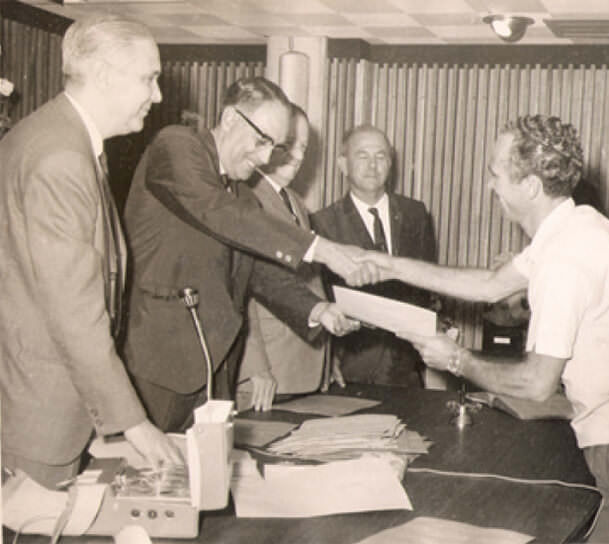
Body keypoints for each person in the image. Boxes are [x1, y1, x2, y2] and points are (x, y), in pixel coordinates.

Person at [357, 114, 609, 542]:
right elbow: (489, 284)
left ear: (530, 186)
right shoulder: (576, 224)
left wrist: (455, 358)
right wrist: (388, 265)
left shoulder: (564, 259)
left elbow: (536, 382)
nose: (490, 185)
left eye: (496, 174)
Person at [0, 15, 183, 489]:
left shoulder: (54, 136)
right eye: (150, 77)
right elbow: (73, 313)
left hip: (45, 402)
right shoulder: (61, 156)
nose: (157, 95)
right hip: (37, 417)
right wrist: (135, 425)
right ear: (104, 76)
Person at [123, 77, 363, 432]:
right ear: (232, 118)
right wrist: (319, 247)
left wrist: (316, 309)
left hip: (217, 373)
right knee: (152, 480)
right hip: (159, 368)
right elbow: (215, 209)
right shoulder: (176, 145)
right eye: (262, 140)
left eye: (275, 146)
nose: (266, 157)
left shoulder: (243, 197)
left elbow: (262, 272)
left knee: (209, 481)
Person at [311, 124, 438, 387]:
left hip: (408, 364)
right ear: (342, 164)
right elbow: (317, 296)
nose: (373, 166)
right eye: (362, 156)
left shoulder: (415, 214)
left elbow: (429, 284)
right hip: (352, 366)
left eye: (380, 156)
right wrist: (327, 357)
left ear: (391, 163)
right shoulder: (322, 224)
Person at [237, 105, 328, 411]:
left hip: (305, 368)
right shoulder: (245, 199)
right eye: (289, 144)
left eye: (304, 147)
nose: (299, 156)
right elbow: (240, 289)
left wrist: (327, 356)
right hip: (269, 373)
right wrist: (253, 366)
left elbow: (311, 285)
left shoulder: (296, 203)